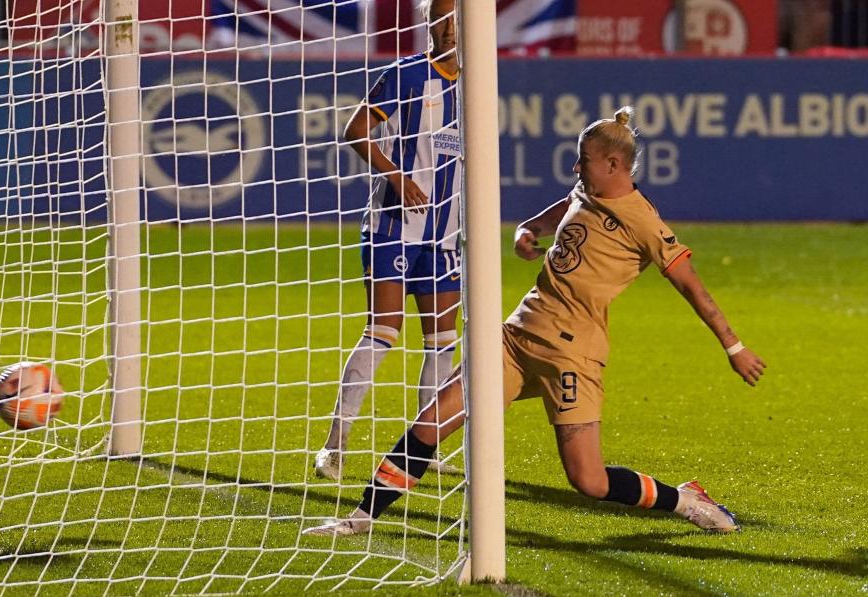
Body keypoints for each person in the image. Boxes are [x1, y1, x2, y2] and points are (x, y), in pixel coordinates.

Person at [305, 106, 767, 535]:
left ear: (612, 164)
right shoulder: (589, 188)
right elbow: (567, 203)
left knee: (588, 480)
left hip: (571, 356)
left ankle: (686, 501)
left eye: (582, 160)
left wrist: (734, 347)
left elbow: (694, 288)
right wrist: (530, 228)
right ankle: (361, 519)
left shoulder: (644, 222)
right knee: (429, 425)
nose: (575, 168)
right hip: (513, 340)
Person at [313, 0, 462, 479]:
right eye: (439, 17)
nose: (448, 26)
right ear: (427, 23)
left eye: (456, 17)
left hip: (444, 232)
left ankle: (424, 448)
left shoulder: (480, 85)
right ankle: (335, 446)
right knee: (384, 330)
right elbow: (355, 130)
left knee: (442, 339)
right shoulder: (406, 74)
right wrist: (397, 178)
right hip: (394, 226)